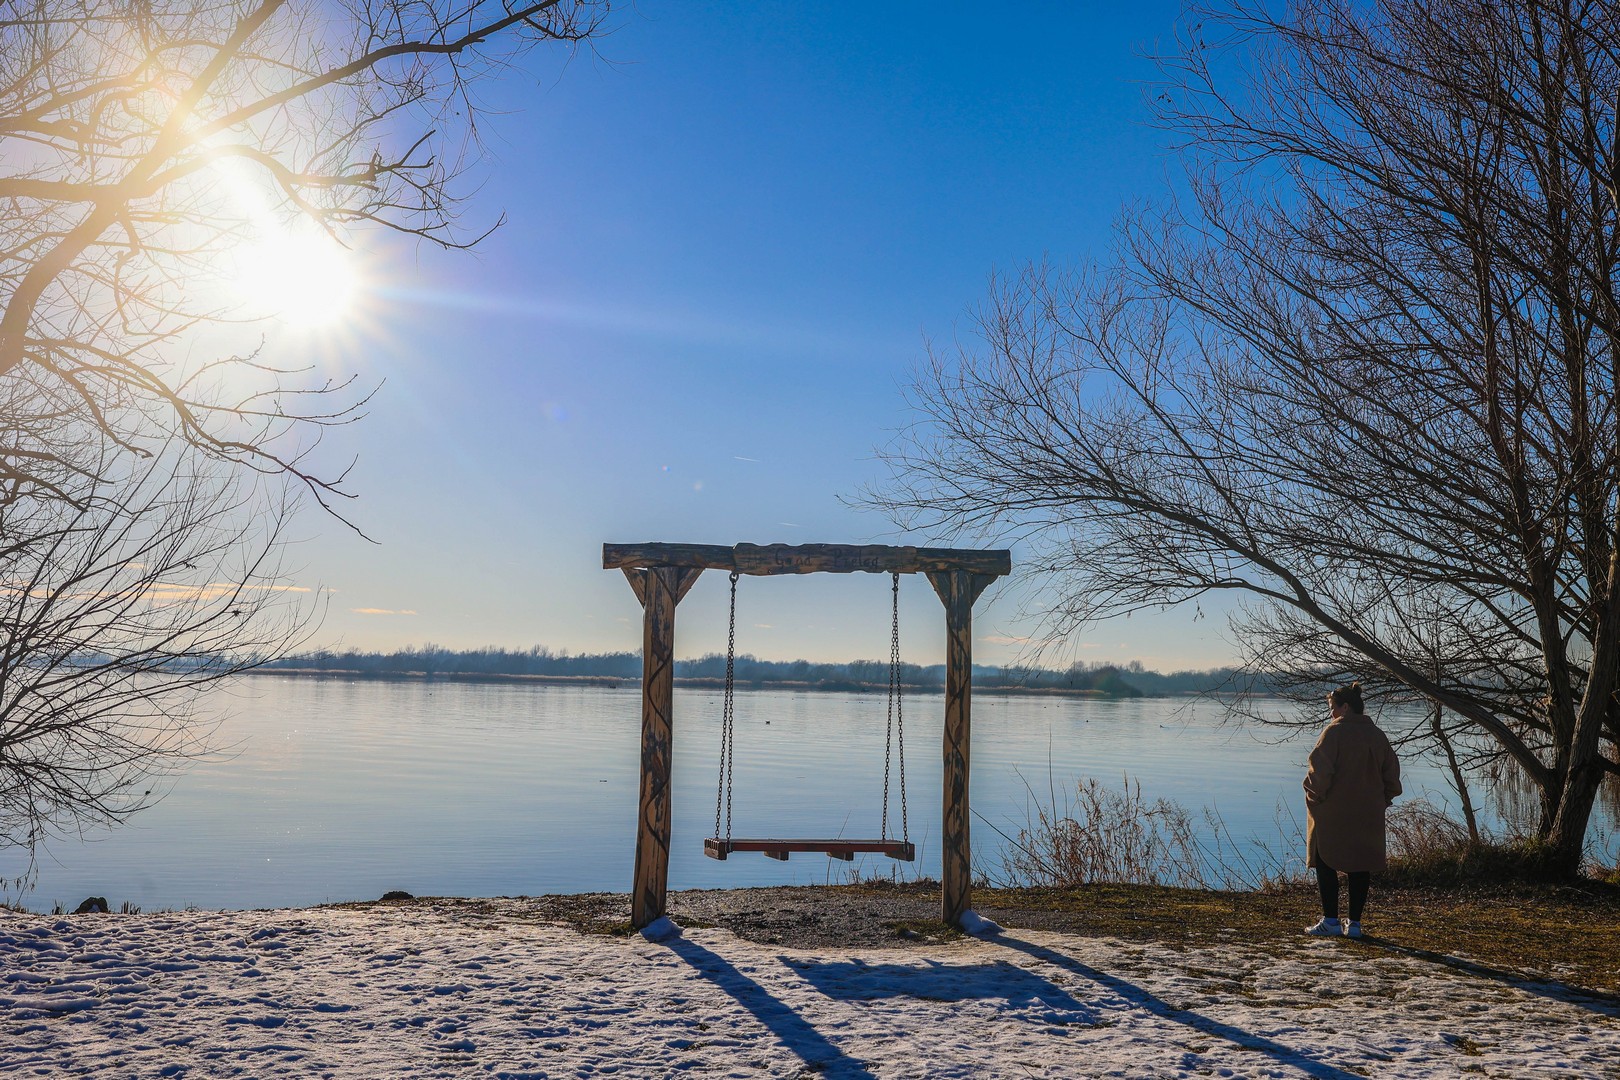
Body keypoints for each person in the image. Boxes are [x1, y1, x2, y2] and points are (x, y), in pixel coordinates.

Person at [1303, 681, 1402, 939]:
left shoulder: (1334, 733)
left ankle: (1331, 921)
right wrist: (1382, 800)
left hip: (1334, 812)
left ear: (1345, 707)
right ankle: (1355, 924)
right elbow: (1392, 777)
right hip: (1368, 812)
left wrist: (1313, 796)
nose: (1331, 714)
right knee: (1361, 864)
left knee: (1325, 860)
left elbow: (1319, 773)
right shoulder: (1377, 735)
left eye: (1332, 708)